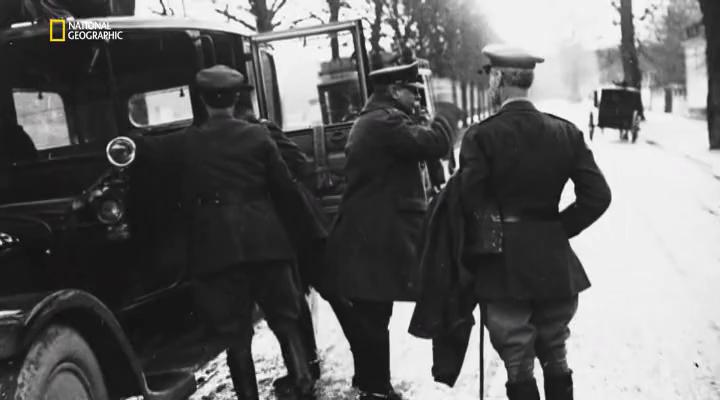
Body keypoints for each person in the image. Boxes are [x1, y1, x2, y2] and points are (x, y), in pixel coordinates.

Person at [459, 45, 611, 400]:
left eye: (491, 77)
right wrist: (556, 229)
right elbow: (598, 196)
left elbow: (470, 202)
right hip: (554, 263)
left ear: (498, 79)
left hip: (503, 266)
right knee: (556, 351)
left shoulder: (481, 136)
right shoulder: (566, 132)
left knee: (517, 360)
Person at [182, 65, 314, 400]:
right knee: (285, 320)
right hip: (266, 242)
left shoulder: (188, 143)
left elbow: (183, 198)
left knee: (235, 335)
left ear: (203, 100)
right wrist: (300, 234)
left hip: (218, 250)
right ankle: (302, 383)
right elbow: (285, 188)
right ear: (235, 98)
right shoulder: (258, 135)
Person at [324, 61, 452, 400]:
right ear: (394, 91)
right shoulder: (386, 122)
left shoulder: (375, 119)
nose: (416, 98)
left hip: (367, 233)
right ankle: (376, 389)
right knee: (373, 315)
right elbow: (436, 143)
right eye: (412, 91)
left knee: (373, 313)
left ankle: (371, 384)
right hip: (373, 235)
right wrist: (440, 113)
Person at [233, 89, 326, 393]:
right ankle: (306, 367)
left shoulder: (261, 130)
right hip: (275, 228)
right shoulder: (251, 133)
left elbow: (299, 163)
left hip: (285, 227)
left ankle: (308, 366)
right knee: (292, 300)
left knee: (295, 300)